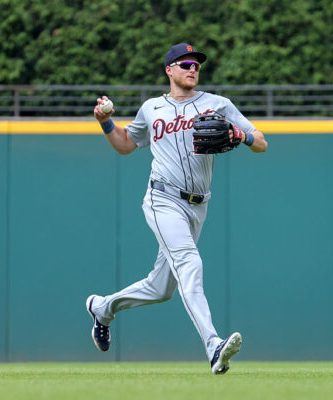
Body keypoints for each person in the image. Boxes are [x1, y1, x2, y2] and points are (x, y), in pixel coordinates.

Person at [87, 43, 268, 374]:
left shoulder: (218, 105)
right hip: (163, 199)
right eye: (185, 63)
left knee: (161, 288)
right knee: (190, 263)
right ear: (169, 70)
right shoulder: (152, 108)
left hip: (199, 206)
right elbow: (127, 145)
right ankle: (214, 346)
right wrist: (106, 123)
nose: (193, 68)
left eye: (197, 64)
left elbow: (261, 142)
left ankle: (102, 308)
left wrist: (239, 134)